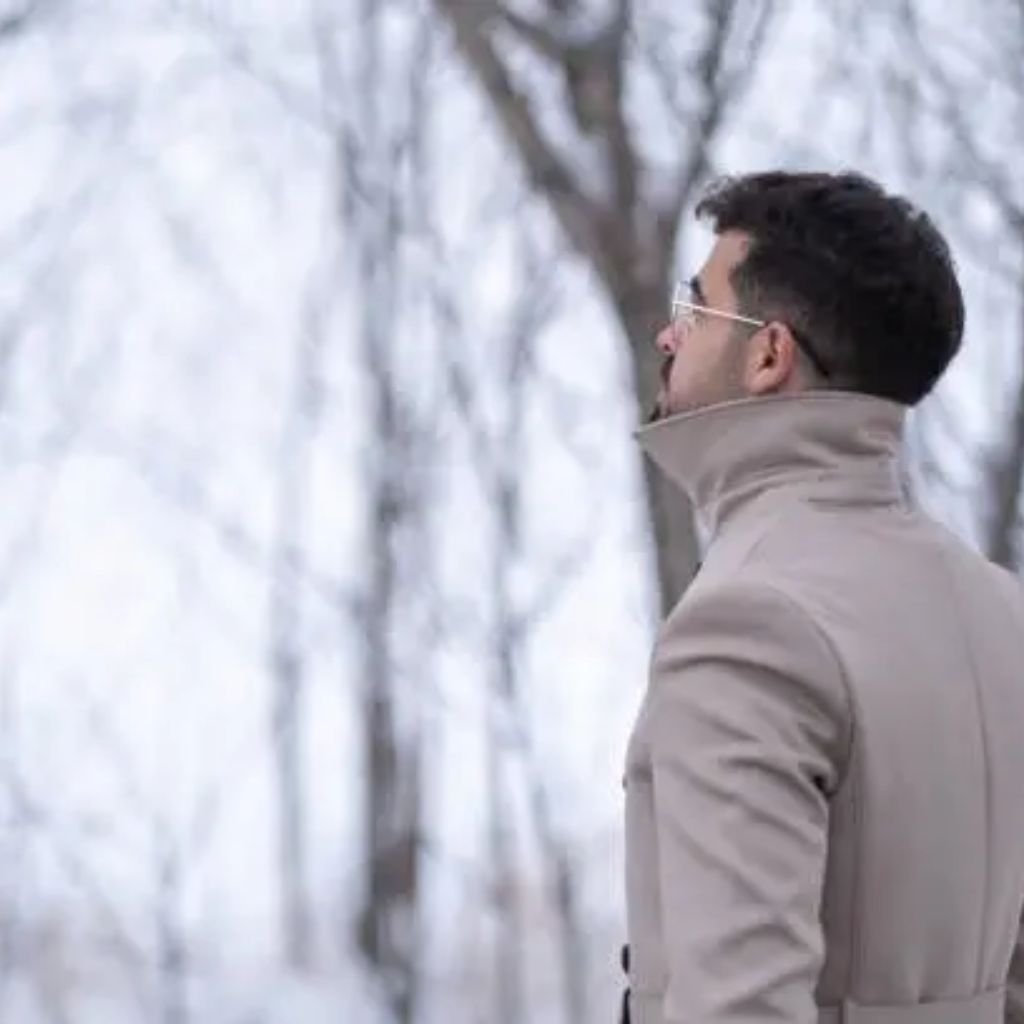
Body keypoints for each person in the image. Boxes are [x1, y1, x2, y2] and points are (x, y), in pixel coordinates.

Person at [622, 170, 1024, 1024]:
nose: (669, 334)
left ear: (769, 355)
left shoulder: (746, 623)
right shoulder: (1004, 612)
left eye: (695, 309)